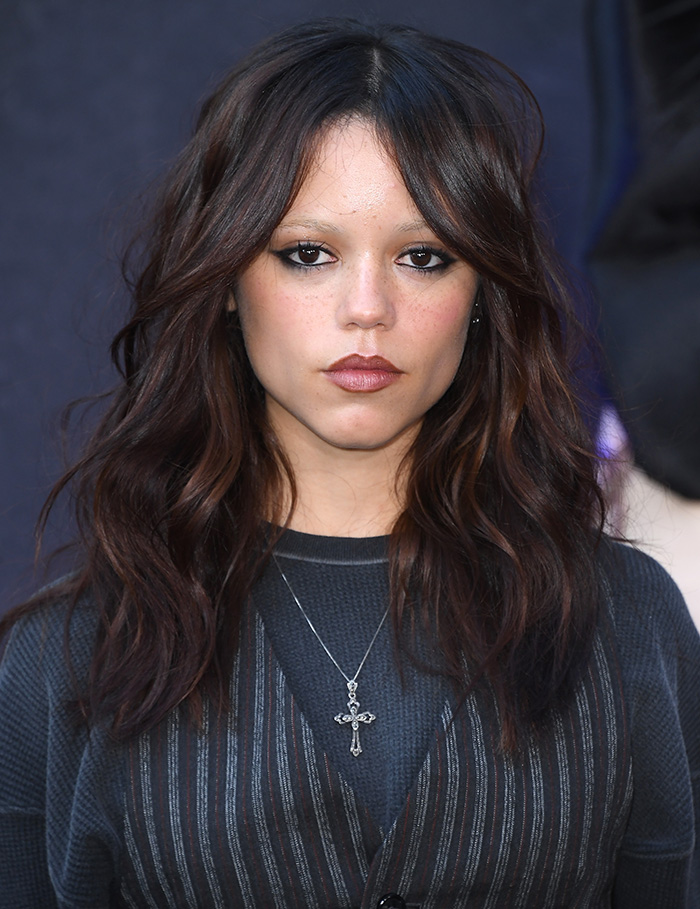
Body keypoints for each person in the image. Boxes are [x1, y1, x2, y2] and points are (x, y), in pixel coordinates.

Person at [0, 19, 698, 909]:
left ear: (482, 295)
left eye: (423, 256)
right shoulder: (67, 660)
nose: (366, 308)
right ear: (224, 283)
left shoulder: (628, 623)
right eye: (308, 254)